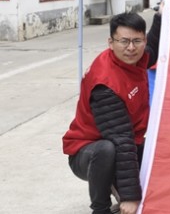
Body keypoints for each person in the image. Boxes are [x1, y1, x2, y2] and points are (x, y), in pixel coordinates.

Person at [63, 12, 158, 214]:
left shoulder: (136, 58)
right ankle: (101, 208)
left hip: (126, 142)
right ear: (111, 43)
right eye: (124, 41)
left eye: (137, 41)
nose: (131, 48)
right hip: (88, 152)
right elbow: (121, 140)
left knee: (159, 153)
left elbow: (155, 45)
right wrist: (130, 197)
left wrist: (162, 15)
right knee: (107, 150)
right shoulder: (105, 84)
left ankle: (121, 192)